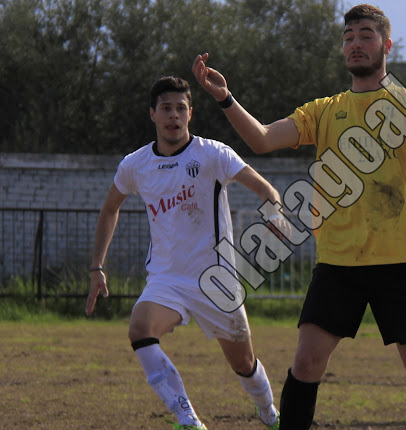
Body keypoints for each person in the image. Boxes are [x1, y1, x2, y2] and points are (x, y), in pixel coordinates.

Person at [192, 4, 406, 430]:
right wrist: (224, 98)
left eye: (365, 36)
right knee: (306, 362)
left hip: (399, 259)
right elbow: (263, 140)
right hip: (338, 262)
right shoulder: (324, 110)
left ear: (386, 45)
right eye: (348, 38)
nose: (355, 44)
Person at [85, 76, 281, 430]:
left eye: (180, 108)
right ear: (153, 114)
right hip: (167, 279)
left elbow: (266, 189)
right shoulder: (135, 164)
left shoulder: (213, 154)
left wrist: (275, 215)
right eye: (166, 108)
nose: (173, 115)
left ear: (190, 114)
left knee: (243, 363)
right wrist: (97, 267)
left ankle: (268, 410)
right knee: (140, 329)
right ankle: (188, 419)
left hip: (217, 282)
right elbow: (110, 208)